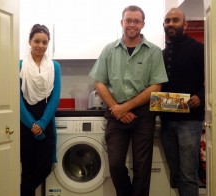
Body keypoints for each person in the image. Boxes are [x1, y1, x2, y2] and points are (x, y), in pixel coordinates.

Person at [89, 5, 168, 196]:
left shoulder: (154, 52)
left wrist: (126, 107)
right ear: (122, 23)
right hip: (115, 114)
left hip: (143, 115)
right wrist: (117, 108)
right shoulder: (109, 50)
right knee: (115, 164)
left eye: (136, 21)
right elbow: (99, 82)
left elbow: (156, 86)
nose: (132, 24)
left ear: (143, 24)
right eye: (128, 20)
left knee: (142, 167)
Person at [160, 8, 205, 196]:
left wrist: (201, 96)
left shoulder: (198, 48)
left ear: (185, 25)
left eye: (175, 20)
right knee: (177, 174)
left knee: (188, 175)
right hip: (166, 120)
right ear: (164, 25)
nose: (171, 24)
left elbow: (213, 79)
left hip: (190, 121)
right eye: (168, 21)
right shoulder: (161, 53)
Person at [20, 24, 61, 196]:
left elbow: (55, 97)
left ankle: (20, 192)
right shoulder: (20, 65)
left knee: (44, 168)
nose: (40, 45)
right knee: (28, 169)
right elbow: (17, 100)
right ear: (30, 41)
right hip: (25, 123)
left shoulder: (54, 67)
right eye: (37, 41)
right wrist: (32, 124)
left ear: (48, 44)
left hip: (46, 121)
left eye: (44, 42)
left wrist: (42, 123)